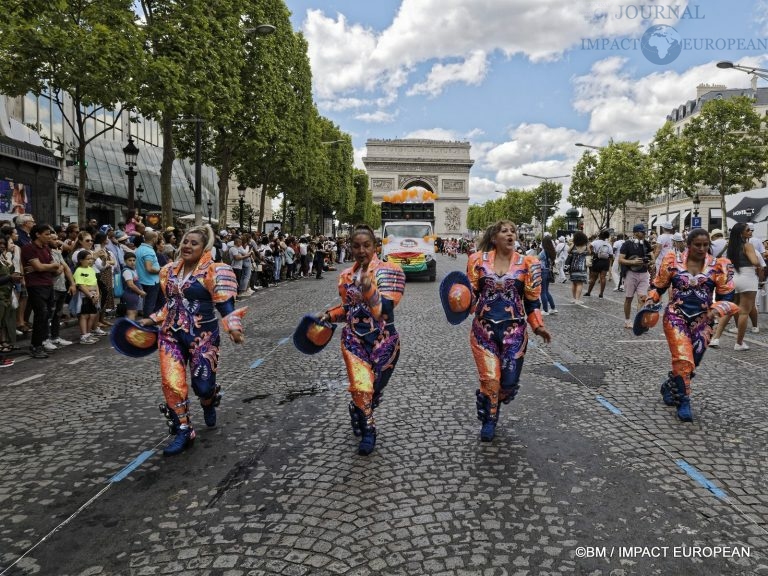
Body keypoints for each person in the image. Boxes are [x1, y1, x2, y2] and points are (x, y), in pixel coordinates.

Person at [139, 225, 245, 456]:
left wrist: (233, 328)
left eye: (193, 243)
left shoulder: (215, 271)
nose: (187, 246)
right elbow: (170, 304)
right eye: (185, 241)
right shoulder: (168, 270)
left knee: (202, 385)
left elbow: (225, 305)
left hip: (203, 338)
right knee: (172, 382)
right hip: (171, 336)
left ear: (204, 248)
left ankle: (209, 399)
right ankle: (183, 429)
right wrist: (152, 319)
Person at [317, 224, 405, 455]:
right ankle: (369, 431)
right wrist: (329, 315)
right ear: (350, 248)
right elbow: (348, 309)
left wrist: (369, 289)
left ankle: (358, 408)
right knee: (361, 386)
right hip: (354, 340)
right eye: (356, 246)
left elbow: (385, 308)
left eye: (366, 245)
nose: (361, 250)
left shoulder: (390, 271)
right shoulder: (345, 276)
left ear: (376, 246)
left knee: (373, 390)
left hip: (384, 340)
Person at [466, 221, 552, 441]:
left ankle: (491, 399)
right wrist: (458, 301)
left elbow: (532, 303)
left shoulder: (528, 264)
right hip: (483, 330)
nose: (510, 234)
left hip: (514, 332)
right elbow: (470, 295)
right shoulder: (477, 261)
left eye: (513, 231)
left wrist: (538, 326)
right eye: (505, 231)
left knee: (509, 382)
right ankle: (489, 419)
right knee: (491, 379)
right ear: (494, 237)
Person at [645, 228, 737, 421]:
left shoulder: (719, 266)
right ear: (689, 245)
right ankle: (684, 401)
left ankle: (671, 385)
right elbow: (659, 286)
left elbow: (727, 296)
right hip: (675, 317)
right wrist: (651, 298)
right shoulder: (673, 261)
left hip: (703, 322)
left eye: (705, 245)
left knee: (693, 362)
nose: (702, 248)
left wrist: (717, 309)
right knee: (683, 358)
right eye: (698, 244)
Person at [709, 222, 761, 350]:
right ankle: (739, 343)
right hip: (748, 278)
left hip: (733, 278)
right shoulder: (748, 245)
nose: (750, 231)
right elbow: (755, 262)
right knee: (744, 312)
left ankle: (715, 338)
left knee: (729, 310)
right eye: (748, 230)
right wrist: (757, 260)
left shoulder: (730, 246)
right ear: (741, 233)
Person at [20, 224, 61, 359]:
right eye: (47, 234)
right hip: (35, 286)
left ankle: (42, 343)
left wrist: (45, 267)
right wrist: (48, 266)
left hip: (48, 284)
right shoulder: (29, 248)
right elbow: (40, 267)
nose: (49, 237)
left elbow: (57, 269)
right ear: (37, 234)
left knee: (47, 315)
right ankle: (35, 345)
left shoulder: (46, 249)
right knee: (41, 314)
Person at [619, 223, 652, 329]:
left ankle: (639, 322)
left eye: (644, 231)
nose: (644, 233)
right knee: (629, 298)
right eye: (642, 231)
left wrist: (650, 262)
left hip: (644, 274)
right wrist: (633, 262)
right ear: (635, 233)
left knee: (642, 299)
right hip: (630, 274)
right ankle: (627, 321)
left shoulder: (646, 244)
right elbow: (620, 259)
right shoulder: (627, 244)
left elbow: (652, 258)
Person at [585, 230, 612, 298]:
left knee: (593, 278)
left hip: (597, 260)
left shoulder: (595, 242)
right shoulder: (608, 244)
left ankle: (588, 292)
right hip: (605, 262)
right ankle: (601, 293)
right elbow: (611, 255)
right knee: (603, 277)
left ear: (599, 235)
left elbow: (589, 246)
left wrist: (592, 252)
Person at [120, 253, 146, 321]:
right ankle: (129, 329)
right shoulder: (127, 271)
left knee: (134, 312)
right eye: (130, 260)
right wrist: (140, 292)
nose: (132, 262)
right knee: (131, 313)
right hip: (130, 294)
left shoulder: (133, 270)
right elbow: (130, 285)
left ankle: (130, 328)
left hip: (134, 294)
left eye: (134, 260)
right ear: (125, 261)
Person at [566, 231, 589, 304]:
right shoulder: (586, 245)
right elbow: (590, 252)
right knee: (580, 284)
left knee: (574, 283)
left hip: (573, 266)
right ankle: (578, 299)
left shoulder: (574, 245)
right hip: (582, 267)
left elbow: (568, 251)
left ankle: (573, 298)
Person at [538, 235, 558, 315]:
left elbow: (537, 259)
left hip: (542, 271)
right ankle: (553, 308)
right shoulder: (552, 251)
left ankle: (545, 310)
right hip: (549, 271)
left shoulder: (543, 252)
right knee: (546, 291)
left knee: (542, 291)